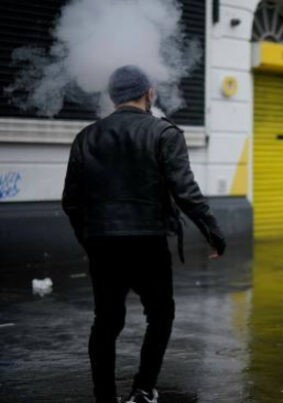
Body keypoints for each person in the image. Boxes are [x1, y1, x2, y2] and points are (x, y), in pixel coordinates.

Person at [62, 65, 226, 403]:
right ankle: (142, 389)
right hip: (147, 240)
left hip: (102, 242)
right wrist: (212, 230)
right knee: (160, 314)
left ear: (113, 97)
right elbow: (185, 191)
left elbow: (71, 201)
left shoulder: (86, 136)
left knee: (106, 320)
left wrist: (90, 238)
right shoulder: (164, 133)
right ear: (148, 92)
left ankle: (104, 396)